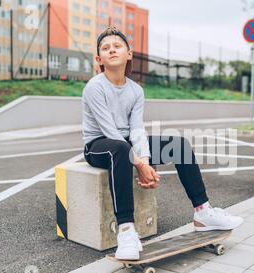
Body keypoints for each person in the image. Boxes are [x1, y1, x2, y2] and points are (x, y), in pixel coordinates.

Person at [82, 27, 243, 260]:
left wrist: (145, 160)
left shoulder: (136, 91)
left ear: (129, 54)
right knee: (120, 148)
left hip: (125, 144)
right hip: (99, 145)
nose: (111, 50)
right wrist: (140, 165)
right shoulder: (94, 87)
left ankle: (203, 212)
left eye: (117, 46)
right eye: (105, 48)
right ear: (99, 59)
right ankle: (126, 231)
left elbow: (137, 130)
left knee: (178, 145)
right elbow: (110, 132)